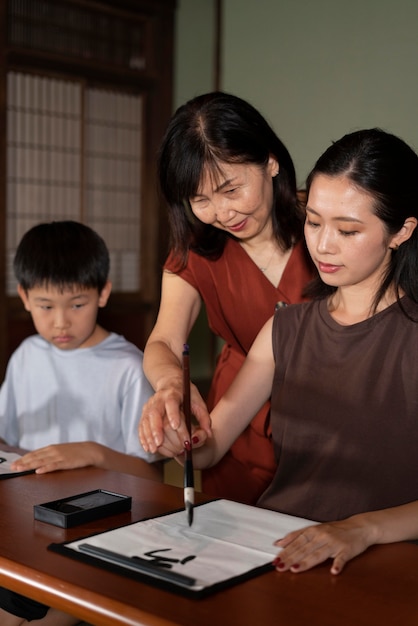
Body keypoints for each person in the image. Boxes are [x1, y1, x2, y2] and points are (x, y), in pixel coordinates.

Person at [140, 128, 418, 575]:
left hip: (383, 563)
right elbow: (210, 450)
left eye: (347, 230)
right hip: (280, 551)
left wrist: (363, 528)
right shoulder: (285, 328)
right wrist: (182, 437)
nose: (323, 245)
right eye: (313, 222)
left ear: (401, 231)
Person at [140, 91, 315, 505]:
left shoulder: (327, 227)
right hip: (233, 426)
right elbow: (164, 340)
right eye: (200, 199)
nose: (221, 212)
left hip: (326, 428)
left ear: (270, 161)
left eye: (231, 189)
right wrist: (170, 385)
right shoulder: (195, 249)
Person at [0, 220, 162, 626]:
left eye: (76, 304)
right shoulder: (27, 356)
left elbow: (152, 479)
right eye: (45, 306)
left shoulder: (129, 367)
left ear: (103, 292)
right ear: (23, 297)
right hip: (28, 525)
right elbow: (8, 443)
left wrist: (91, 453)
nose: (60, 323)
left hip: (97, 531)